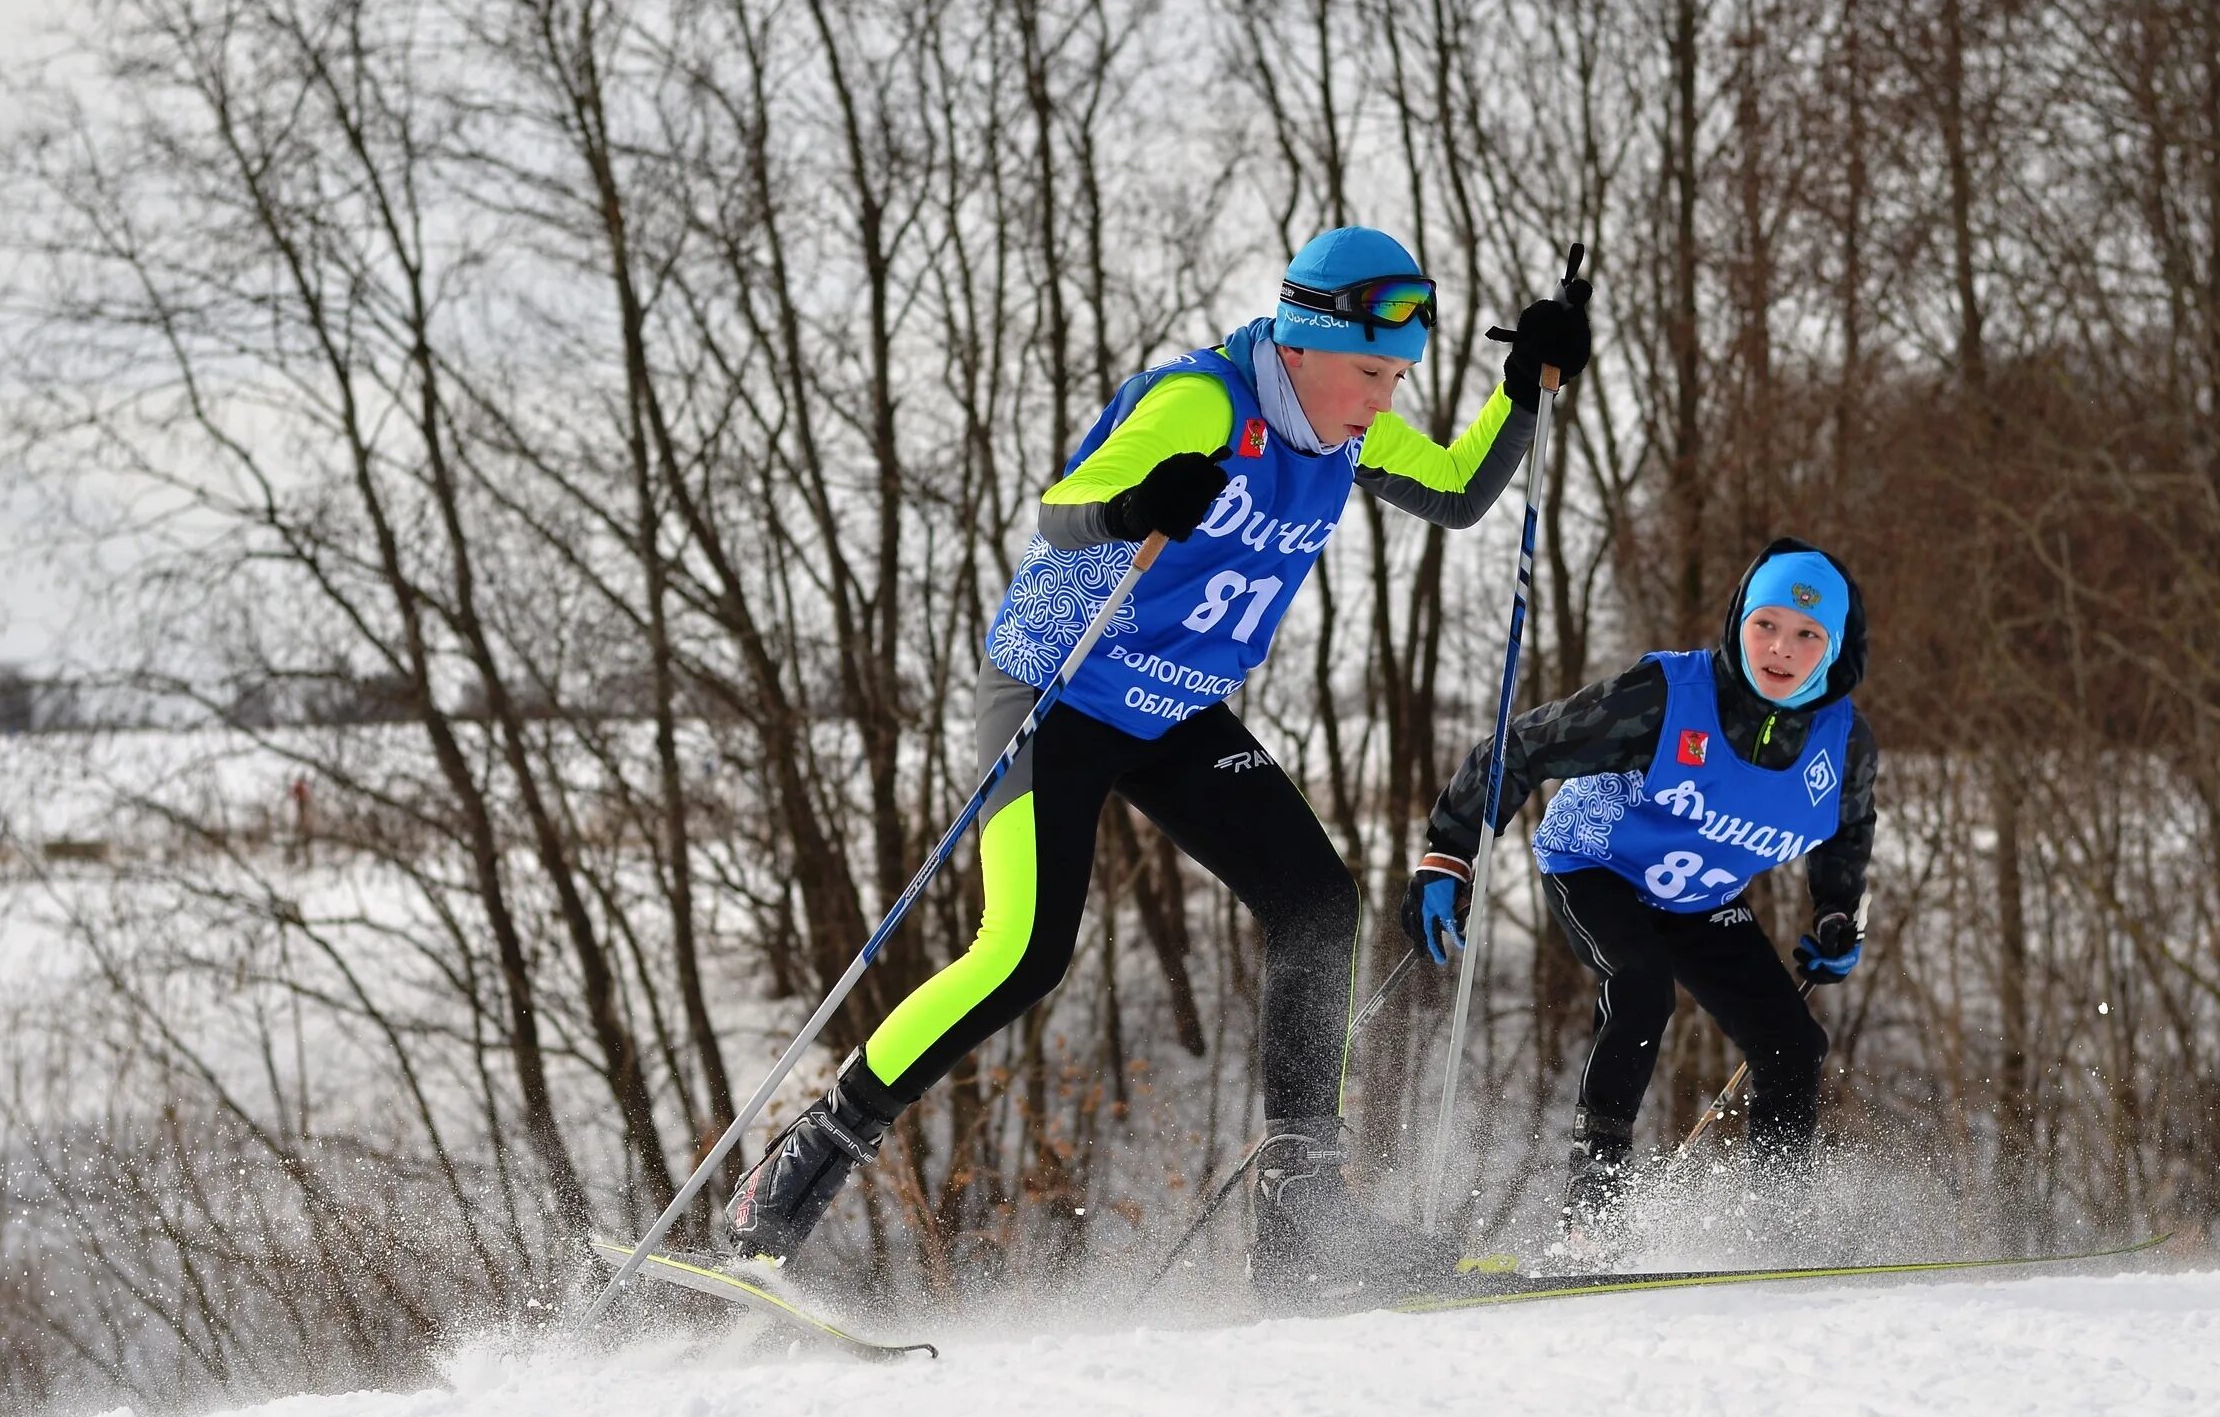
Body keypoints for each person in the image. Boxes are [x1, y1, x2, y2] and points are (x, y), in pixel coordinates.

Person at [724, 226, 1591, 1304]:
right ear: (1305, 343)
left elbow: (1459, 492)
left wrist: (1523, 386)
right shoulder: (1202, 402)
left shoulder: (1345, 434)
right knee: (1025, 950)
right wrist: (1136, 508)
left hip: (1174, 710)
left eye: (1399, 377)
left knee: (1316, 903)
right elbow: (1061, 509)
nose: (1383, 397)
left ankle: (1301, 1217)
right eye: (1372, 371)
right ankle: (789, 1175)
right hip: (1059, 690)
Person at [1401, 539, 1878, 1235]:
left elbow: (1849, 827)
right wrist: (1450, 849)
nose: (1781, 649)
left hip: (1699, 901)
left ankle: (1778, 1227)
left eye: (1809, 635)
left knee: (1793, 1045)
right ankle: (1594, 1215)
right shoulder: (1668, 699)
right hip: (1596, 865)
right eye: (1766, 624)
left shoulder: (1845, 744)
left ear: (1834, 648)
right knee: (1641, 985)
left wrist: (1837, 910)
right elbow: (1524, 746)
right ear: (1738, 620)